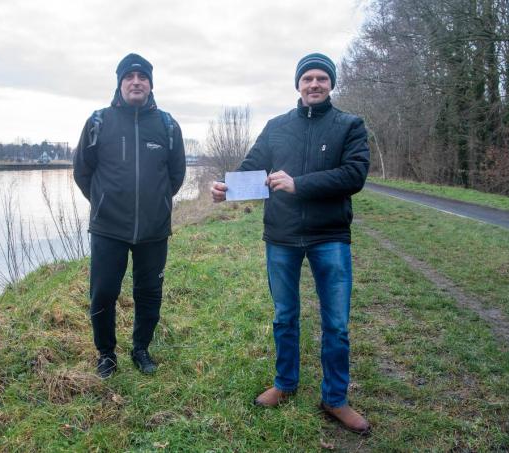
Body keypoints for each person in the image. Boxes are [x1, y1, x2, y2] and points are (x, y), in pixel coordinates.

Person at [211, 53, 371, 434]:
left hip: (329, 236)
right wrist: (224, 187)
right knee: (284, 316)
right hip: (281, 237)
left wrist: (300, 184)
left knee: (336, 324)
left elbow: (354, 175)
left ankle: (335, 398)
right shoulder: (276, 126)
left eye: (321, 78)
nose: (314, 84)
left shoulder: (350, 125)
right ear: (297, 84)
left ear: (331, 84)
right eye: (307, 79)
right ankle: (285, 384)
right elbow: (251, 168)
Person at [73, 53, 186, 379]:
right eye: (129, 77)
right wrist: (104, 201)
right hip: (109, 227)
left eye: (142, 77)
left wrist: (158, 201)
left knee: (149, 292)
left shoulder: (167, 125)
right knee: (104, 292)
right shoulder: (99, 122)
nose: (136, 82)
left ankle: (141, 348)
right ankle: (106, 354)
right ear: (120, 83)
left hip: (154, 228)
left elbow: (176, 175)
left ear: (150, 85)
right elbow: (83, 172)